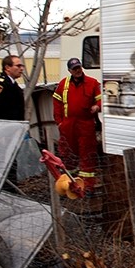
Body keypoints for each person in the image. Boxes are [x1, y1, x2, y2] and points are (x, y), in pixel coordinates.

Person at [53, 57, 102, 194]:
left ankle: (87, 187)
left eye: (79, 67)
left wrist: (97, 107)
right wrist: (60, 123)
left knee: (87, 155)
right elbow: (56, 104)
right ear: (69, 70)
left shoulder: (92, 83)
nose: (78, 71)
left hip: (86, 125)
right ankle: (67, 185)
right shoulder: (63, 84)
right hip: (68, 126)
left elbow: (101, 100)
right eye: (74, 69)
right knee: (67, 155)